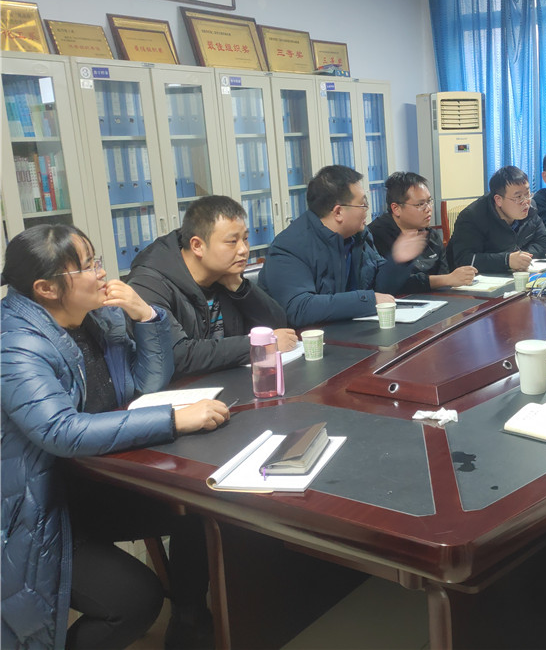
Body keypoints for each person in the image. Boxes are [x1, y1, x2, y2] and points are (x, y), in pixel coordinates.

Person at [1, 225, 230, 650]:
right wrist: (173, 420)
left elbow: (144, 385)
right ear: (46, 288)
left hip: (92, 482)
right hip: (34, 512)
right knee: (134, 601)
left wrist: (147, 317)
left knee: (195, 512)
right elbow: (60, 430)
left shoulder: (95, 317)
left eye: (97, 260)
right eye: (88, 266)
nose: (102, 273)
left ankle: (190, 623)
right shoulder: (15, 344)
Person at [127, 194, 295, 378]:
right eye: (232, 242)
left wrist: (240, 289)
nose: (243, 249)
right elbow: (176, 355)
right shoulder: (150, 283)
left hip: (229, 380)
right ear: (197, 245)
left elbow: (278, 327)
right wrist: (259, 346)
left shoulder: (224, 274)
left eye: (245, 239)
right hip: (183, 390)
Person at [259, 165, 425, 326]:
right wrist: (367, 300)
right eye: (362, 204)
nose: (367, 210)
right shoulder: (290, 246)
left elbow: (379, 285)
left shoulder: (359, 235)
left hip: (351, 332)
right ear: (338, 212)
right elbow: (300, 308)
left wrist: (397, 261)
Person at [368, 171, 477, 291]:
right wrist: (445, 280)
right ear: (396, 208)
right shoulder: (375, 236)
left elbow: (444, 276)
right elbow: (392, 284)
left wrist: (449, 279)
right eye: (420, 204)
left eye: (429, 202)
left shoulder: (431, 236)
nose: (428, 209)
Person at [445, 165, 546, 274]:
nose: (526, 201)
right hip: (476, 280)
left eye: (527, 193)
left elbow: (545, 243)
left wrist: (521, 258)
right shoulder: (473, 217)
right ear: (498, 200)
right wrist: (506, 260)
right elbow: (464, 260)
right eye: (518, 197)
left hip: (516, 274)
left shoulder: (530, 208)